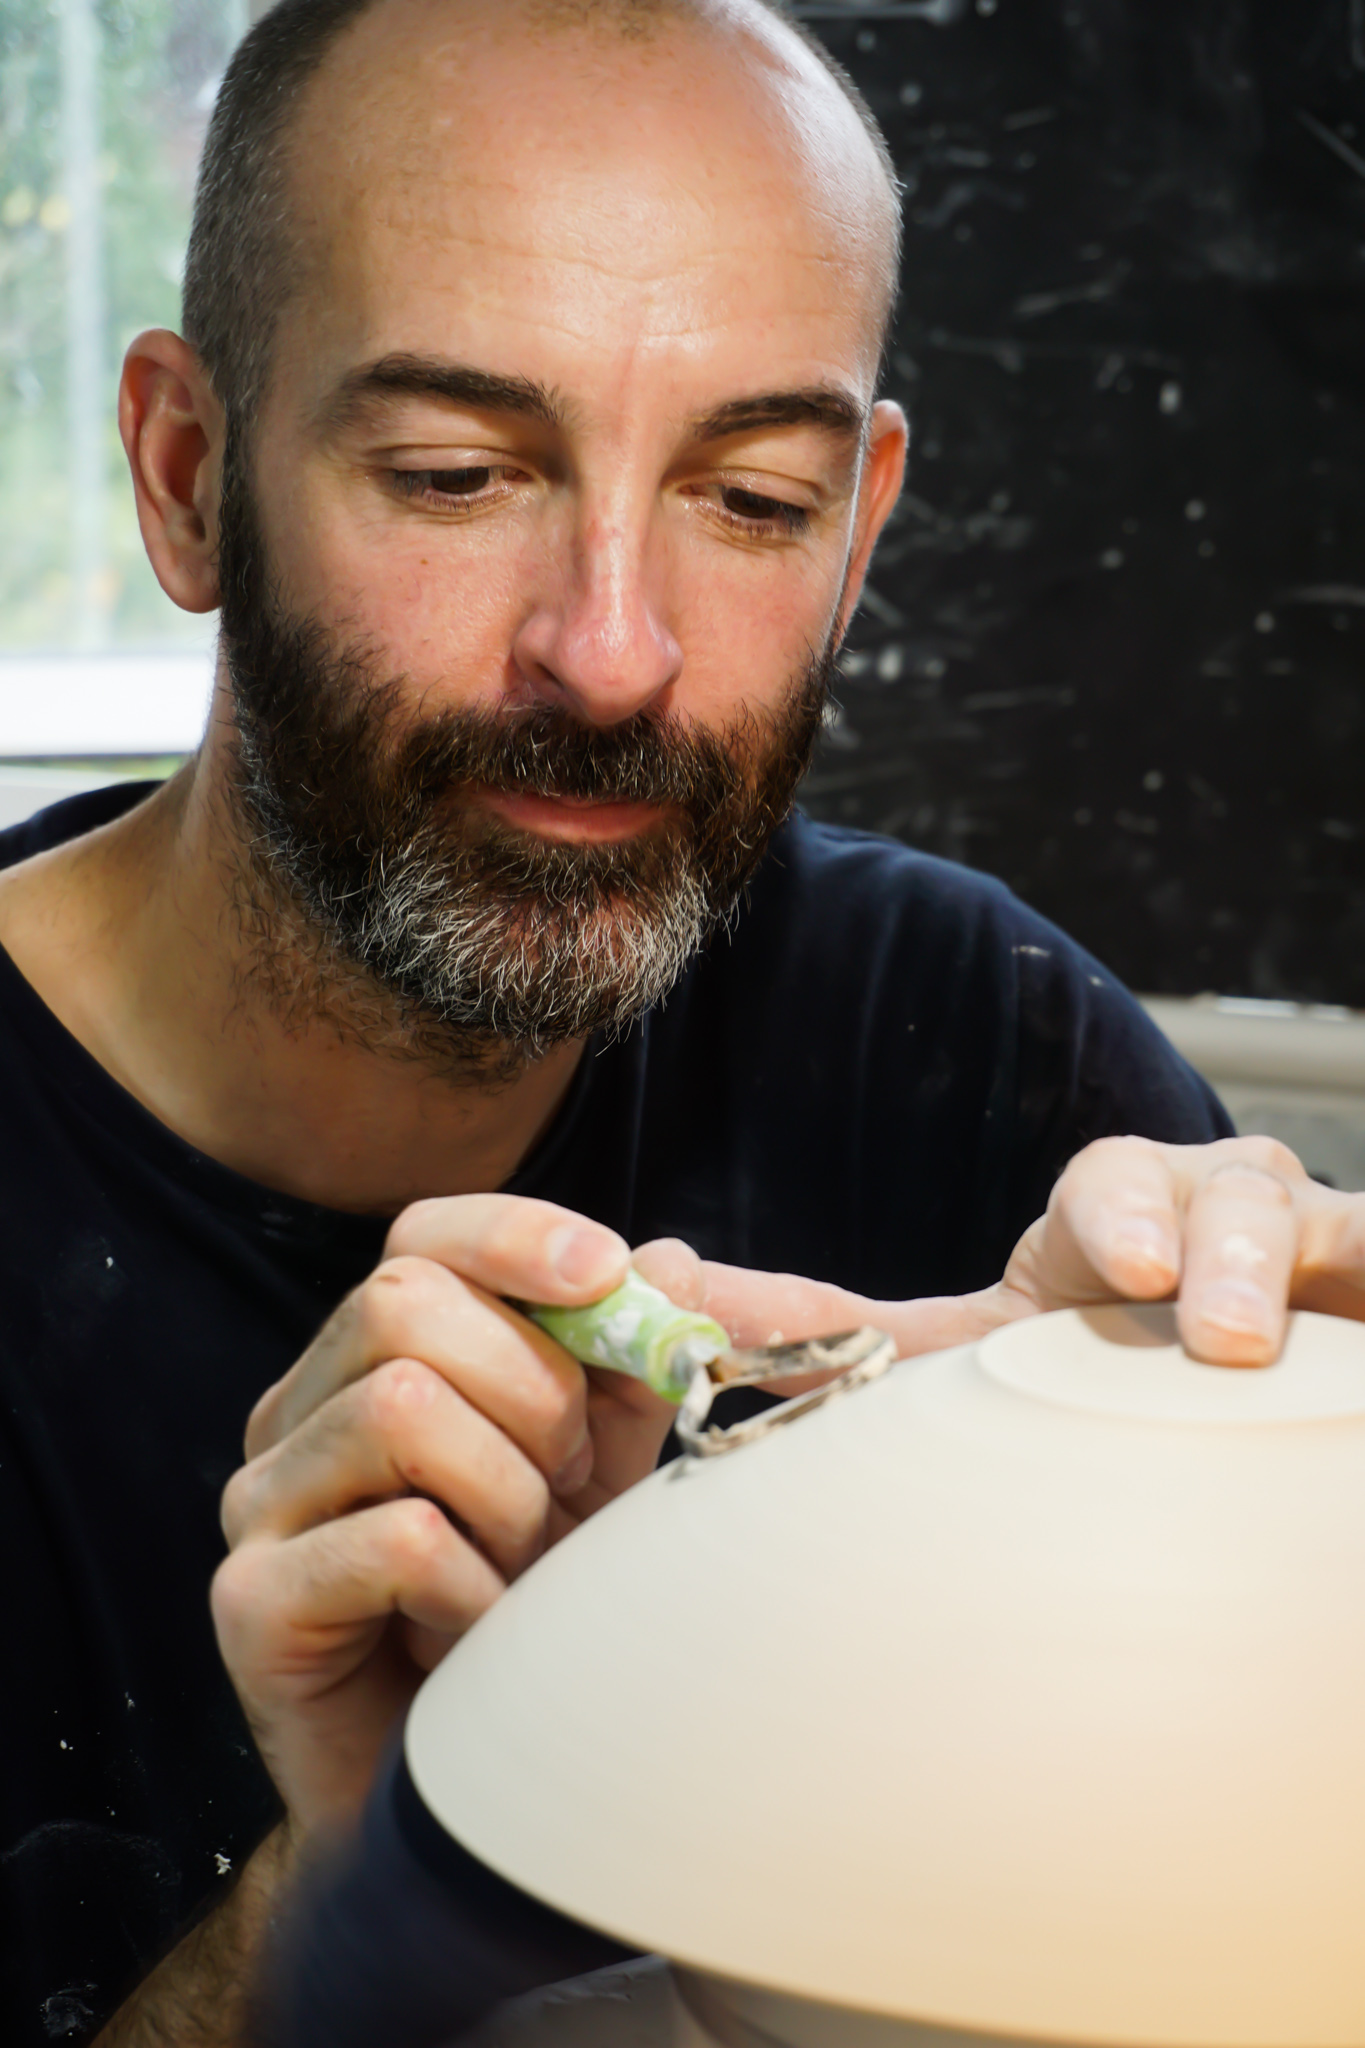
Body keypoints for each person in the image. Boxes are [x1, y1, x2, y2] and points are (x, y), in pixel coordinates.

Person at [1, 1, 1361, 2043]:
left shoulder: (968, 1040)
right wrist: (360, 1906)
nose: (612, 653)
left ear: (861, 526)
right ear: (189, 478)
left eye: (749, 500)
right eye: (456, 473)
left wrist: (1253, 1480)